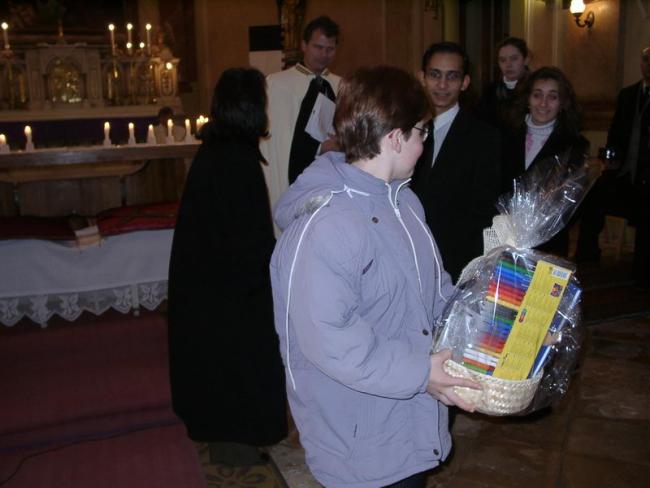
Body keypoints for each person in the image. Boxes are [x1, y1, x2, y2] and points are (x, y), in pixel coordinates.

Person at [270, 66, 480, 488]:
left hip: (409, 415)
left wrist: (490, 316)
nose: (424, 144)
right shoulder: (327, 224)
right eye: (422, 132)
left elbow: (435, 293)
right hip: (358, 436)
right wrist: (422, 373)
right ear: (396, 137)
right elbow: (332, 342)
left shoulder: (406, 204)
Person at [167, 68, 287, 464]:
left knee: (218, 361)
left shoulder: (220, 148)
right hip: (228, 289)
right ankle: (236, 444)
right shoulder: (236, 157)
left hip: (211, 284)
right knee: (236, 362)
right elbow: (246, 235)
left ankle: (228, 435)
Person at [412, 42, 502, 284]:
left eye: (452, 76)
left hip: (454, 263)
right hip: (406, 255)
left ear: (465, 82)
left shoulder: (485, 138)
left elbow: (483, 213)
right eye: (435, 75)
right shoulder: (401, 128)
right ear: (422, 77)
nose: (442, 85)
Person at [575, 46, 650, 288]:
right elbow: (616, 131)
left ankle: (641, 276)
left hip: (647, 179)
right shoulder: (628, 95)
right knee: (591, 196)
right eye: (646, 59)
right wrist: (611, 158)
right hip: (623, 174)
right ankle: (586, 257)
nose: (648, 64)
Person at [502, 66, 589, 256]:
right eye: (537, 95)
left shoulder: (574, 145)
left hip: (549, 241)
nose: (543, 103)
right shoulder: (505, 135)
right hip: (503, 234)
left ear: (563, 103)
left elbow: (573, 203)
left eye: (552, 97)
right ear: (527, 99)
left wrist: (542, 225)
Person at [260, 15, 341, 209]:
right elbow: (276, 142)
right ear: (304, 45)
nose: (324, 54)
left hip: (328, 179)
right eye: (318, 47)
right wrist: (317, 148)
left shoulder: (341, 86)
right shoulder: (276, 85)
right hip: (288, 178)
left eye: (330, 49)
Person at [475, 37, 530, 129]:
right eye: (503, 60)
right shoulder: (490, 90)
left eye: (514, 59)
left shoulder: (534, 88)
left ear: (526, 60)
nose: (508, 65)